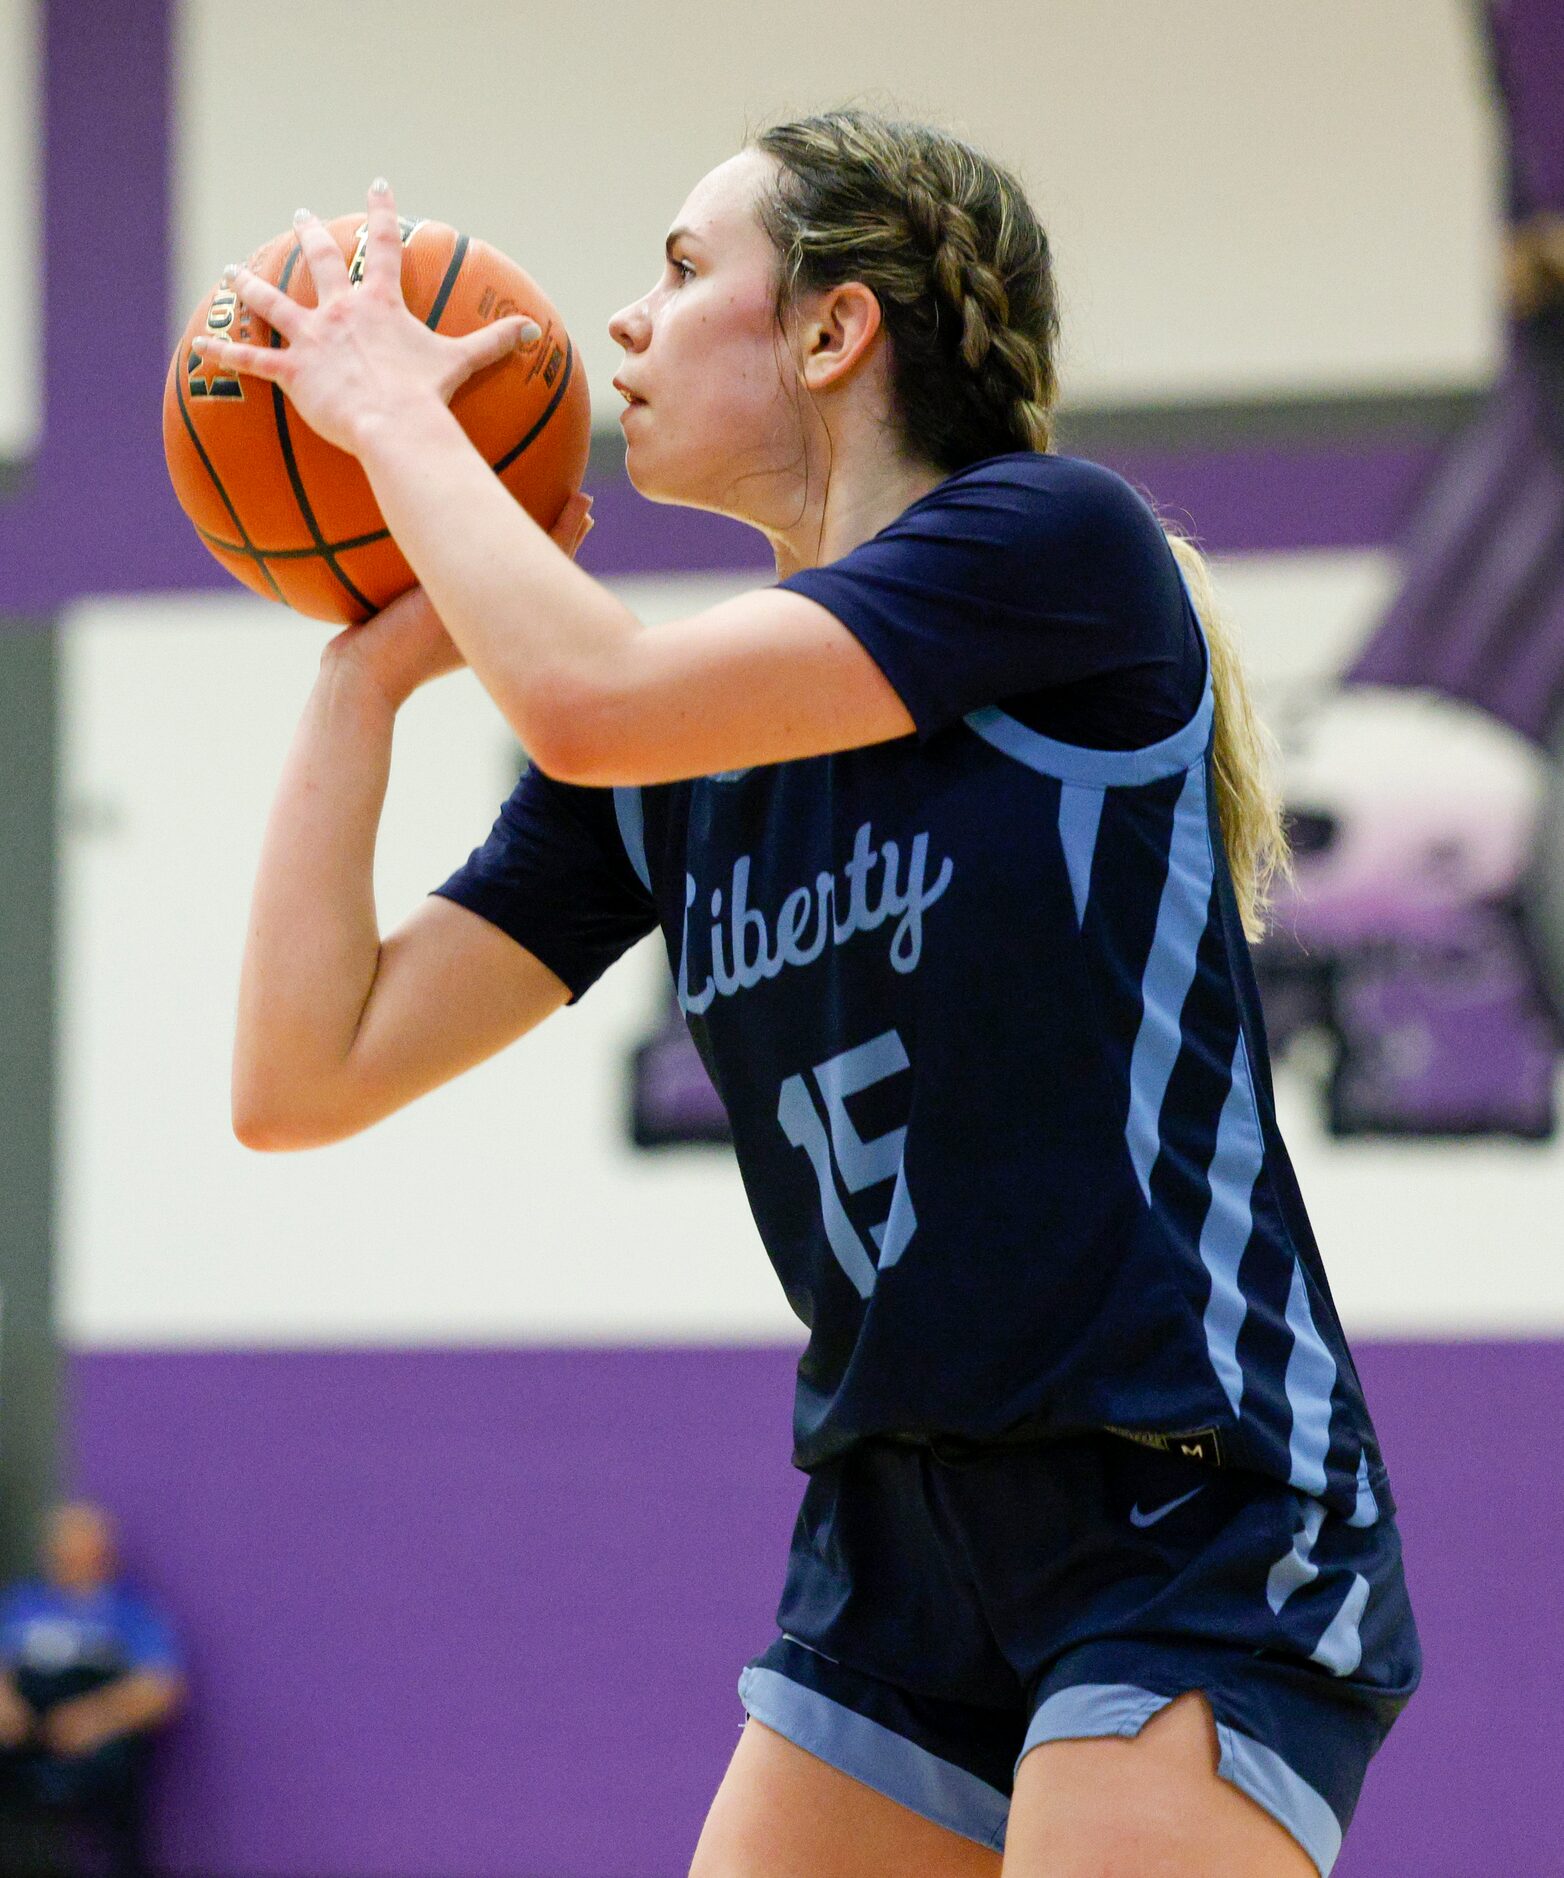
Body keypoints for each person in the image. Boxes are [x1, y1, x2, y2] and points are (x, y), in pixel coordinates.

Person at [205, 109, 1420, 1876]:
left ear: (833, 332)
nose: (619, 322)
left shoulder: (1052, 550)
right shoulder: (673, 746)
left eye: (684, 270)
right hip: (896, 1522)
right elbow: (298, 1076)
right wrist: (360, 682)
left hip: (1183, 1496)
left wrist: (392, 407)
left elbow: (587, 691)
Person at [0, 1503, 185, 1878]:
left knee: (119, 1771)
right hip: (26, 1728)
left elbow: (161, 1687)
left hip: (95, 1736)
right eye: (62, 1550)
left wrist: (94, 1719)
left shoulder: (131, 1610)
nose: (70, 1559)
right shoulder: (23, 1604)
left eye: (82, 1549)